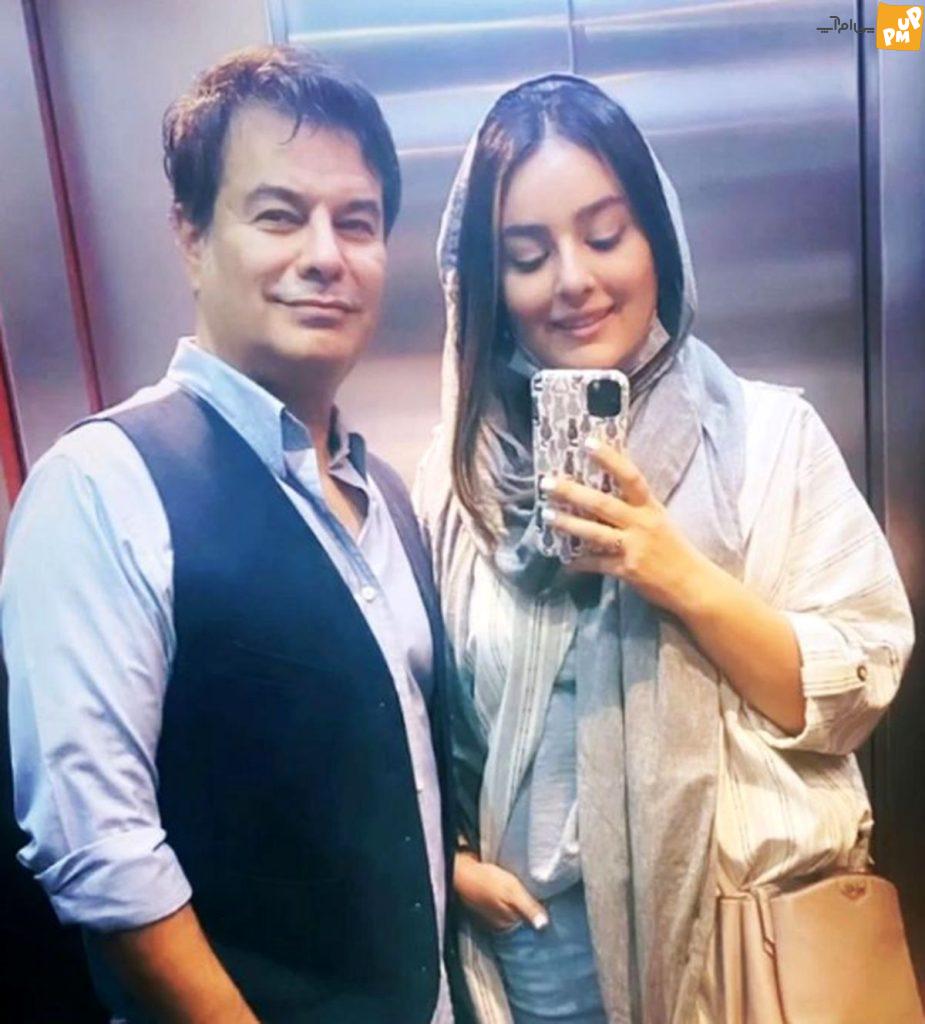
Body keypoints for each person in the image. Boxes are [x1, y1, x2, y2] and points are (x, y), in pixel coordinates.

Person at [414, 74, 915, 1024]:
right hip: (534, 973)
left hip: (741, 963)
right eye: (528, 255)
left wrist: (676, 573)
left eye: (605, 235)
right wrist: (452, 862)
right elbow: (420, 723)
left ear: (658, 238)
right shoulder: (455, 485)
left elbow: (856, 692)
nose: (572, 279)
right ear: (487, 283)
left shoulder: (769, 439)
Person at [1, 45, 468, 1024]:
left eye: (356, 222)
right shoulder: (103, 487)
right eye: (279, 215)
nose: (324, 255)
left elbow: (371, 780)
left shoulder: (386, 494)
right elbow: (100, 852)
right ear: (192, 234)